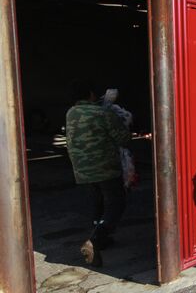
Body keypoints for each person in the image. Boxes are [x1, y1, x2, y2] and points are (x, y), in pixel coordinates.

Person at [65, 80, 132, 267]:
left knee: (97, 202)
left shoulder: (71, 113)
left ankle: (100, 239)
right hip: (105, 168)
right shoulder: (103, 113)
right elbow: (123, 138)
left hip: (81, 170)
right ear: (91, 95)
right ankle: (94, 240)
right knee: (116, 204)